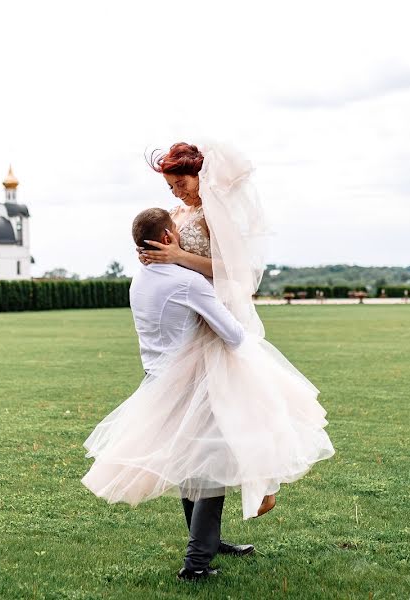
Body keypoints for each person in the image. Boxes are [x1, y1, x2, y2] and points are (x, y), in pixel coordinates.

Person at [82, 142, 335, 580]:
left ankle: (210, 540)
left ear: (200, 175)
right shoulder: (176, 217)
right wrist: (159, 262)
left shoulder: (217, 214)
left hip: (213, 324)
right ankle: (200, 554)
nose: (176, 192)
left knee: (224, 432)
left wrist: (178, 258)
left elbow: (235, 270)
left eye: (180, 182)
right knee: (202, 446)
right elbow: (166, 261)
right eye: (169, 184)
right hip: (191, 334)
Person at [82, 208, 255, 580]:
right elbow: (235, 336)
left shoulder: (139, 279)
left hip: (158, 381)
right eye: (174, 232)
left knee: (191, 464)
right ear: (165, 239)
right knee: (210, 469)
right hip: (193, 384)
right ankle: (196, 564)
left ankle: (207, 540)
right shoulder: (186, 282)